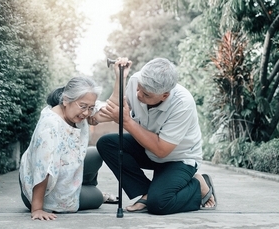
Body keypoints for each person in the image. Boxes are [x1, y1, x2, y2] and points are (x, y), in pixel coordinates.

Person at [95, 58, 217, 215]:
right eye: (138, 89)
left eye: (145, 94)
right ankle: (147, 192)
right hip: (149, 150)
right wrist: (120, 78)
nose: (138, 95)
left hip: (178, 159)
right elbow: (114, 109)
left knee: (159, 204)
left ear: (164, 95)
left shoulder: (183, 103)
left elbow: (162, 150)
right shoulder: (136, 80)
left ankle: (197, 185)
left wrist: (127, 121)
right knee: (107, 143)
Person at [19, 77, 108, 220]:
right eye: (83, 106)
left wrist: (119, 76)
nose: (86, 113)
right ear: (66, 100)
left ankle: (81, 185)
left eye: (90, 108)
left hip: (65, 173)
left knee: (96, 154)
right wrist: (37, 208)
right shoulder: (50, 126)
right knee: (97, 197)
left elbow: (110, 109)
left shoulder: (74, 111)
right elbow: (42, 168)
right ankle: (84, 190)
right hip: (44, 192)